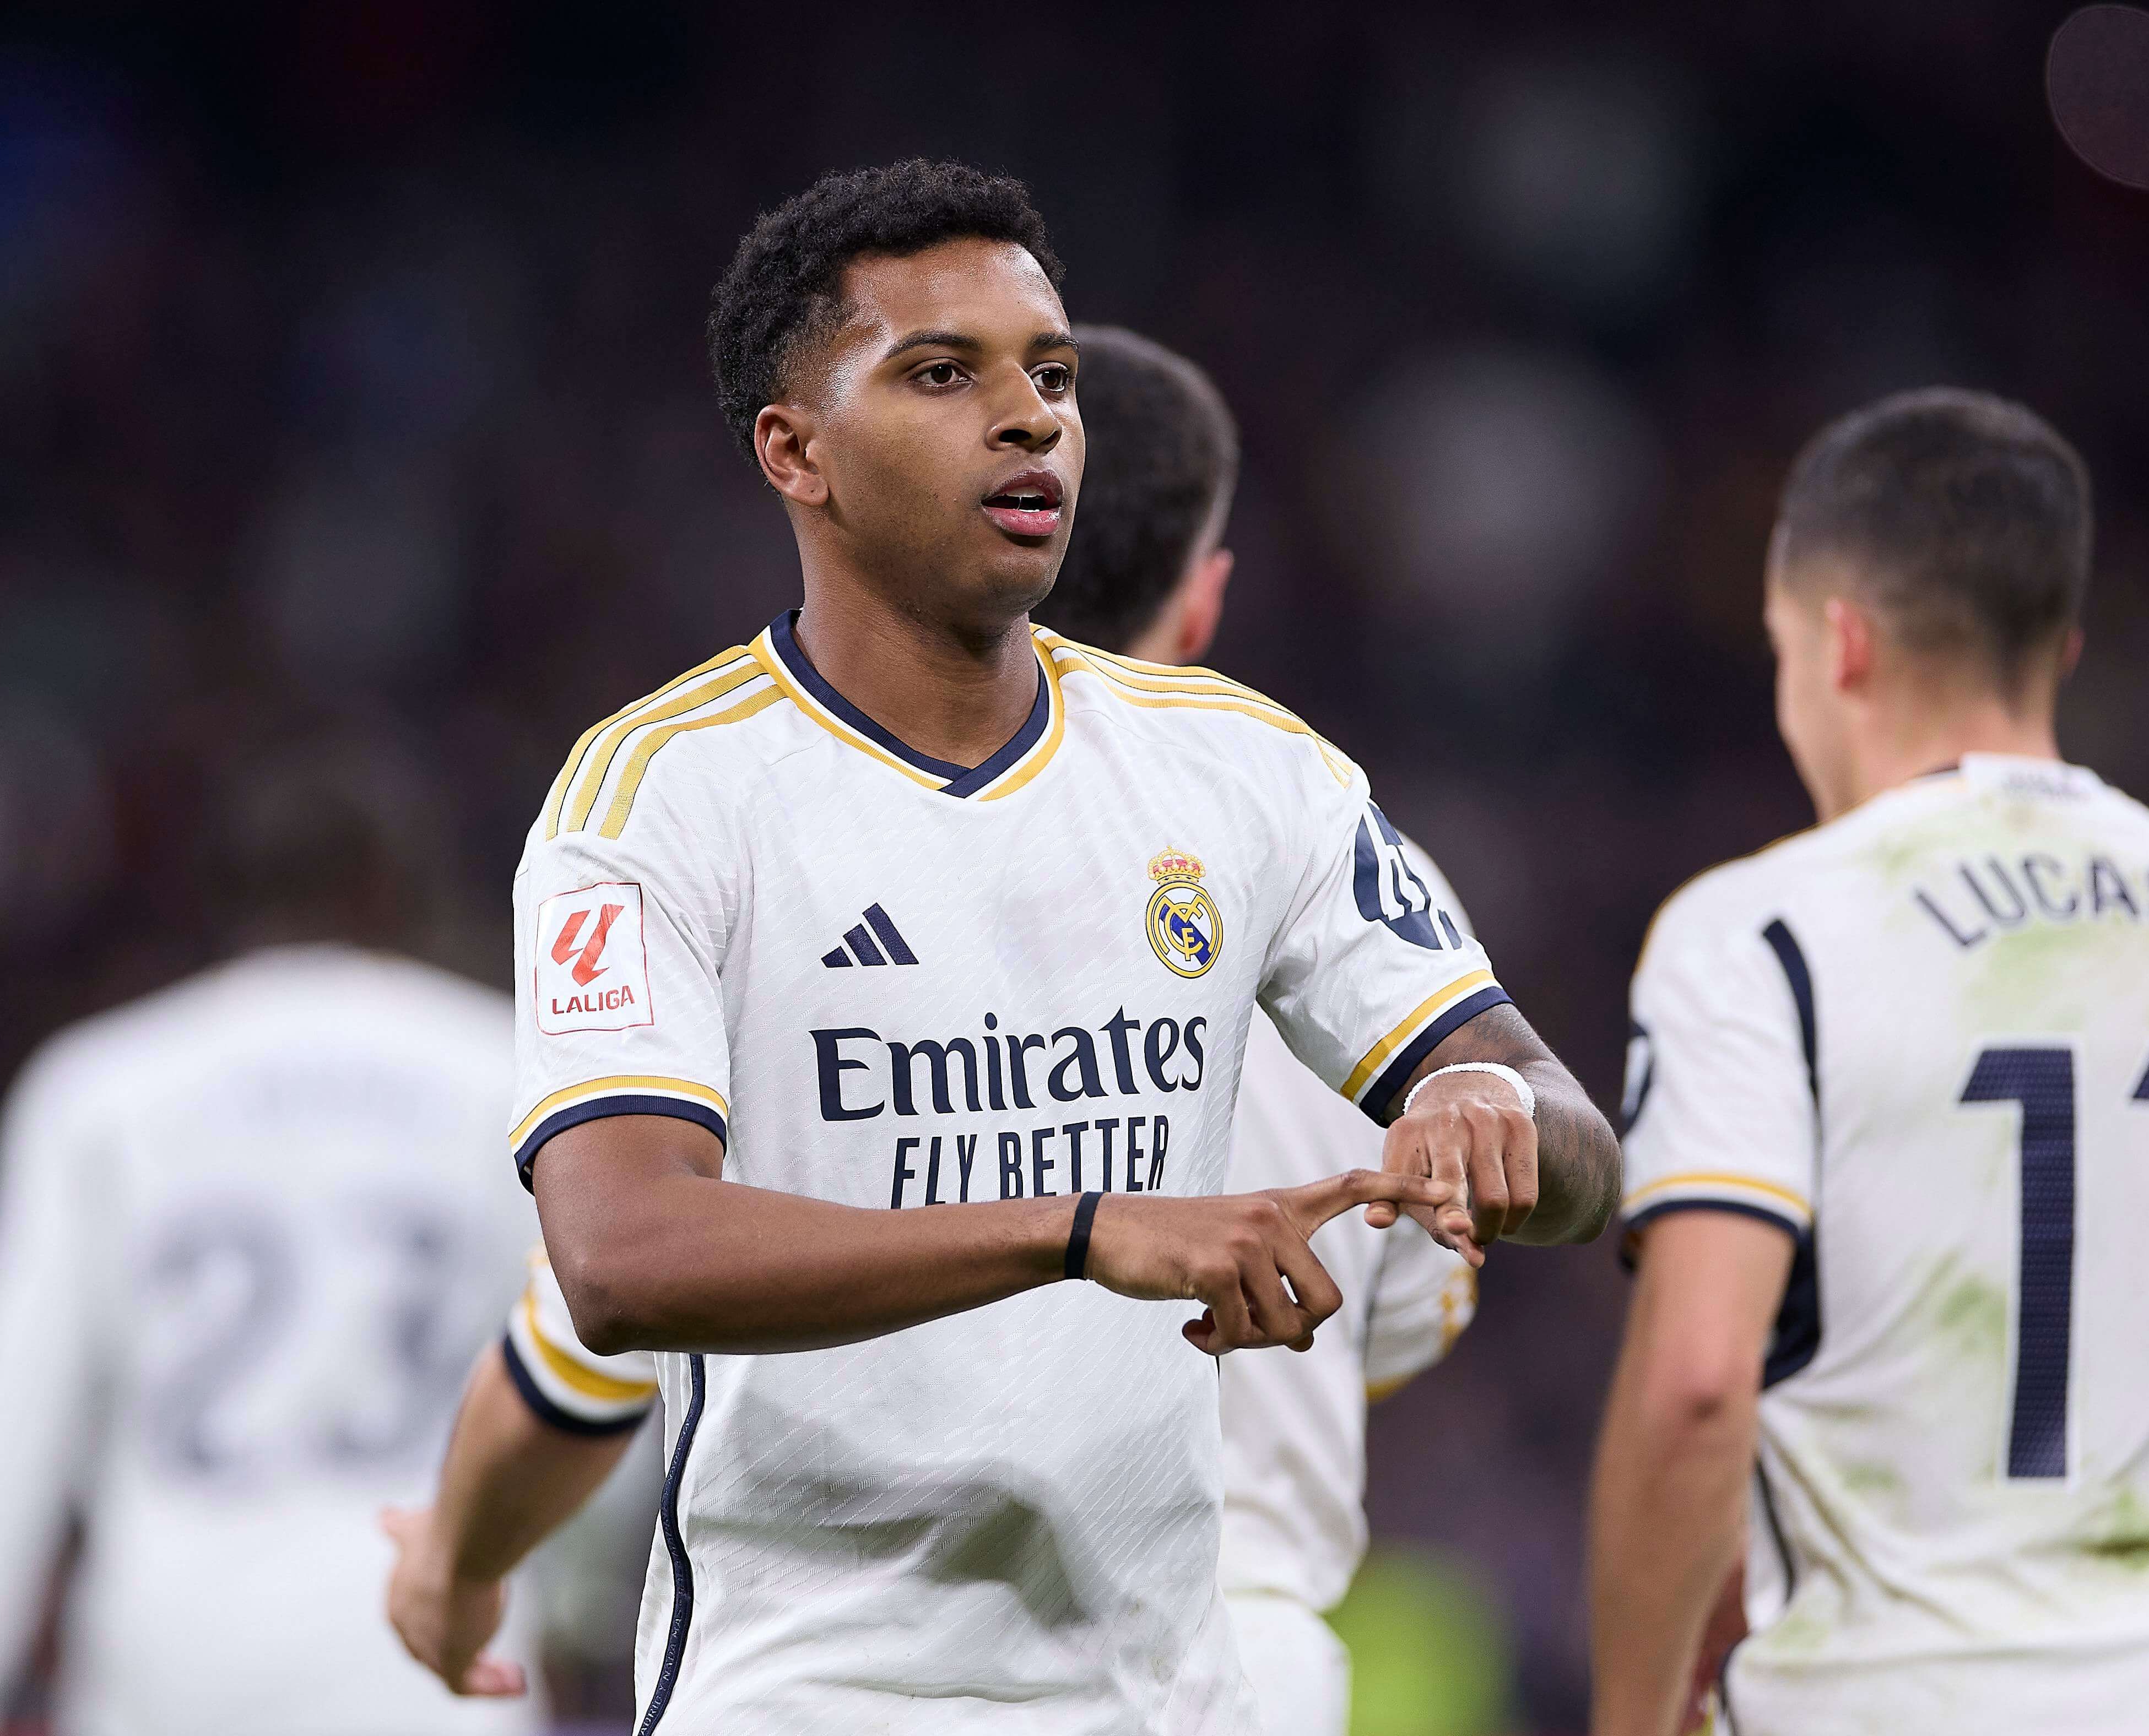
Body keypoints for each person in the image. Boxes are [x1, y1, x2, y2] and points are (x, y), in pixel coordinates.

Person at [386, 158, 1618, 1735]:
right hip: (816, 1698)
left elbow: (1577, 1146)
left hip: (1160, 1703)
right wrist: (1083, 1230)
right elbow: (619, 1261)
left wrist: (1490, 1104)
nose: (1029, 418)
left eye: (1052, 375)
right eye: (942, 374)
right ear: (796, 451)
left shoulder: (1243, 768)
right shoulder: (658, 798)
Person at [1587, 389, 2149, 1735]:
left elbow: (1700, 1383)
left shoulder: (1765, 933)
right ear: (2061, 646)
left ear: (1838, 643)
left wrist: (1632, 1715)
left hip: (1896, 1696)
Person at [0, 748, 615, 1736]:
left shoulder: (101, 1088)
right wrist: (582, 1601)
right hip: (429, 1653)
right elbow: (599, 1349)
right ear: (395, 888)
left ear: (220, 901)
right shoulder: (510, 1067)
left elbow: (5, 1416)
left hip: (172, 1653)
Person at [1039, 327, 1481, 1736]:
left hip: (916, 1635)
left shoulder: (829, 836)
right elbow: (1406, 1310)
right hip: (1238, 1649)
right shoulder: (1337, 856)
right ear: (1204, 595)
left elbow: (619, 1300)